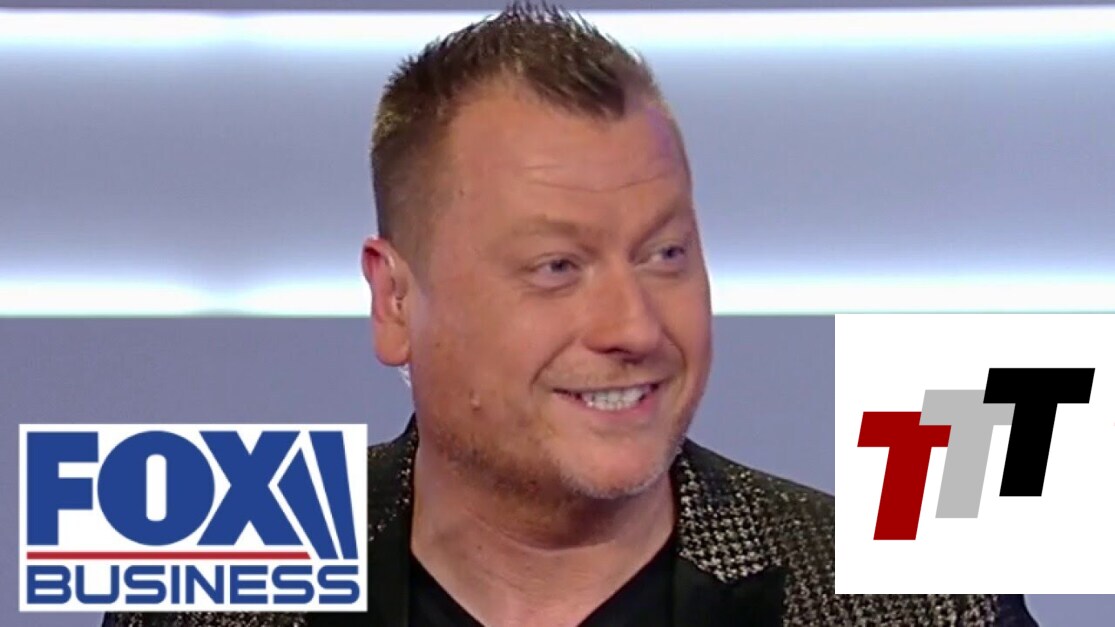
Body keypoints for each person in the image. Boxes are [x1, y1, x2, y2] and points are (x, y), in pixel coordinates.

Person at [106, 3, 1037, 625]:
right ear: (394, 300)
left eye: (664, 254)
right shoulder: (209, 593)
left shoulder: (922, 603)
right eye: (557, 267)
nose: (634, 326)